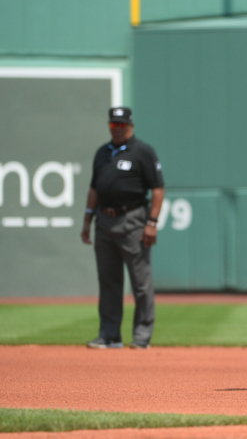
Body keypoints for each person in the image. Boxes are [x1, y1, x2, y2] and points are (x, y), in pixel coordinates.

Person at [80, 107, 165, 350]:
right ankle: (109, 335)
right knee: (108, 281)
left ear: (131, 126)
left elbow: (158, 188)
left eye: (121, 125)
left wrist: (151, 223)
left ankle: (142, 335)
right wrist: (87, 219)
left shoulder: (143, 151)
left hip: (133, 220)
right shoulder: (102, 153)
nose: (117, 129)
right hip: (103, 221)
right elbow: (94, 189)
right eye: (113, 125)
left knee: (140, 282)